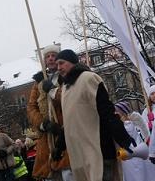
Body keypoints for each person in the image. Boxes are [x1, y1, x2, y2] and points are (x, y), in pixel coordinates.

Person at [55, 49, 135, 181]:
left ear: (73, 62)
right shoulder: (65, 88)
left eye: (62, 63)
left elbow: (106, 110)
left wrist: (122, 137)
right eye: (57, 64)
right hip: (80, 156)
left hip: (99, 150)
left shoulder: (89, 78)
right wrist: (60, 146)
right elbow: (70, 122)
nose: (59, 68)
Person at [26, 44, 73, 181]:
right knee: (49, 175)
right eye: (48, 56)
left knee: (68, 171)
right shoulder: (38, 82)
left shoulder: (66, 76)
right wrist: (42, 124)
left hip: (65, 132)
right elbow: (31, 107)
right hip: (47, 137)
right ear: (44, 61)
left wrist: (53, 90)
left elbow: (70, 99)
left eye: (54, 55)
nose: (51, 59)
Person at [114, 101, 155, 181]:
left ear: (122, 113)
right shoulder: (124, 124)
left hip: (133, 156)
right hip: (127, 157)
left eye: (117, 111)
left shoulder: (127, 125)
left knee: (137, 176)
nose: (115, 113)